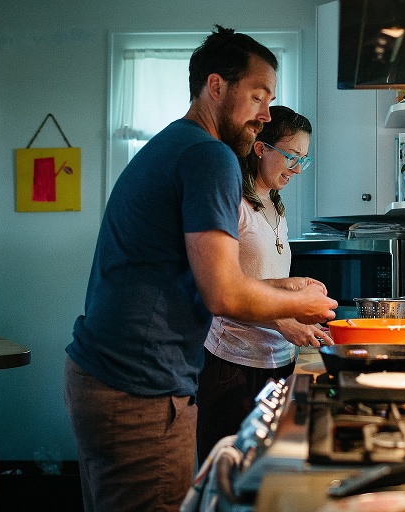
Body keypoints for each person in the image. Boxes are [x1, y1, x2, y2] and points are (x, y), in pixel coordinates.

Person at [63, 26, 336, 512]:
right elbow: (225, 296)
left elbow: (199, 273)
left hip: (105, 375)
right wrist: (302, 303)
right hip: (140, 387)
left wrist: (283, 284)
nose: (265, 115)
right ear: (216, 86)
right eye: (257, 96)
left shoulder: (178, 145)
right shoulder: (210, 156)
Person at [195, 105, 334, 463]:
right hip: (233, 365)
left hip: (279, 360)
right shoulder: (232, 203)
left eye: (304, 159)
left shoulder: (274, 203)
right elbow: (221, 290)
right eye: (291, 156)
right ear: (261, 149)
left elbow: (260, 278)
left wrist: (295, 298)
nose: (298, 169)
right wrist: (281, 317)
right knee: (230, 473)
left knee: (268, 474)